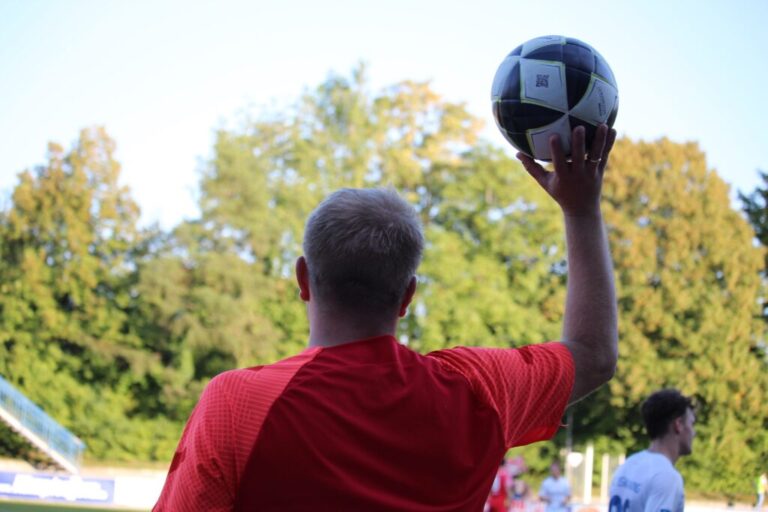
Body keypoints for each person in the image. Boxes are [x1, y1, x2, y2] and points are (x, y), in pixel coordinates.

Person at [153, 124, 619, 511]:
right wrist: (581, 209)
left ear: (303, 278)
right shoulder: (478, 390)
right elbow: (594, 354)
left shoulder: (236, 406)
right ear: (407, 296)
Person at [608, 389, 696, 512]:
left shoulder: (629, 464)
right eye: (692, 424)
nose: (694, 432)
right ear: (678, 424)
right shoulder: (667, 477)